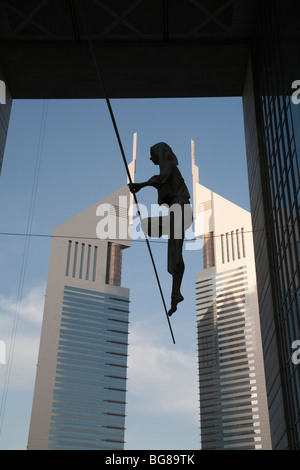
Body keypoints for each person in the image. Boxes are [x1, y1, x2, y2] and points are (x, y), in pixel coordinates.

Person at [128, 142, 192, 316]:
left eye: (152, 154)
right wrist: (142, 185)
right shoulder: (168, 168)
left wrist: (141, 185)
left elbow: (161, 178)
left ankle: (176, 293)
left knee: (175, 252)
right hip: (177, 211)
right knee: (173, 252)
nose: (150, 158)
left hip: (180, 208)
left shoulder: (169, 166)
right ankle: (175, 294)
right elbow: (160, 179)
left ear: (160, 153)